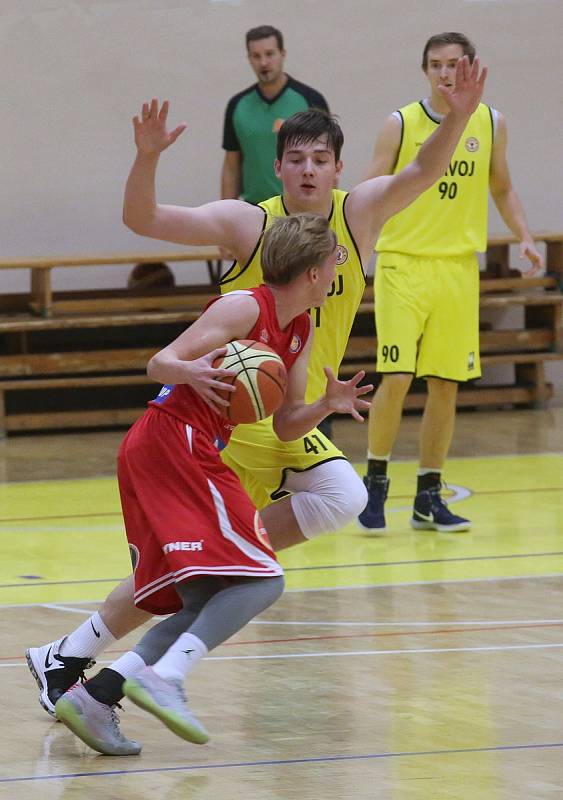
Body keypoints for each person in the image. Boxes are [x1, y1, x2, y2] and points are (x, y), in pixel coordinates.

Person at [27, 57, 487, 718]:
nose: (306, 169)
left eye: (320, 158)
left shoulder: (357, 217)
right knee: (181, 572)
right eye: (294, 158)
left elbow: (423, 171)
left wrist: (461, 113)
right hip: (226, 422)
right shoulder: (250, 224)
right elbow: (143, 219)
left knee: (339, 495)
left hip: (290, 415)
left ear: (336, 169)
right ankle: (72, 657)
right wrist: (147, 157)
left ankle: (114, 650)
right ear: (277, 170)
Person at [53, 213, 371, 755]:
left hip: (183, 448)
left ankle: (94, 698)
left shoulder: (301, 328)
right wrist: (193, 372)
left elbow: (285, 422)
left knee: (204, 595)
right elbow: (161, 363)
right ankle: (166, 676)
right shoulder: (245, 306)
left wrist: (324, 405)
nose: (336, 270)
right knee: (262, 580)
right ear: (315, 272)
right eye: (333, 261)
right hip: (175, 439)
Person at [358, 32, 543, 535]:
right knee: (396, 377)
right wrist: (352, 248)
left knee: (445, 384)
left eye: (454, 65)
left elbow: (501, 187)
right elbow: (369, 191)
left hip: (458, 268)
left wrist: (524, 235)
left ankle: (428, 495)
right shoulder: (401, 123)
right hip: (402, 263)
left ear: (471, 69)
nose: (445, 74)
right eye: (436, 65)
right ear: (425, 71)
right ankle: (374, 486)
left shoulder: (491, 123)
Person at [221, 25, 329, 205]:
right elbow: (231, 166)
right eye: (256, 56)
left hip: (302, 213)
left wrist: (326, 213)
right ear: (249, 59)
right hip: (254, 212)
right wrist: (225, 213)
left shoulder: (311, 101)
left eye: (269, 54)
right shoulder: (237, 106)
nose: (263, 62)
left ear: (282, 54)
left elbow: (326, 161)